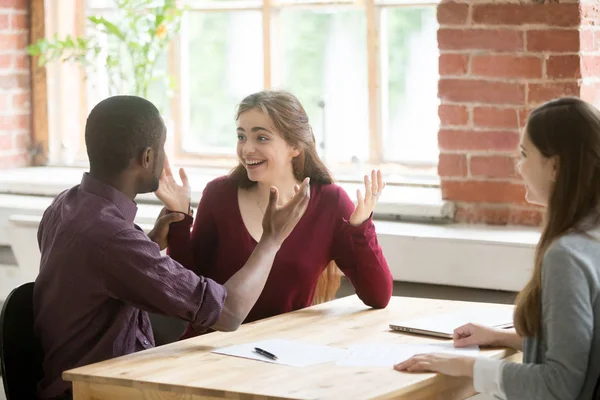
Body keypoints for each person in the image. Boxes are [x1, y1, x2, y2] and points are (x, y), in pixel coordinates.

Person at [32, 95, 310, 400]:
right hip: (96, 392)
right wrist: (272, 239)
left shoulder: (65, 205)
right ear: (148, 158)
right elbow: (229, 313)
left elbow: (93, 275)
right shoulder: (114, 240)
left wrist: (149, 243)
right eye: (163, 148)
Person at [394, 97, 600, 400]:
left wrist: (467, 367)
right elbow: (581, 350)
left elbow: (559, 386)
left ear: (555, 166)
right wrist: (501, 337)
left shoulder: (567, 256)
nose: (519, 167)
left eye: (524, 153)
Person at [156, 90, 393, 339]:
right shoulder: (219, 194)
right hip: (211, 347)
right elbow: (189, 294)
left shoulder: (330, 202)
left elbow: (378, 296)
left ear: (295, 146)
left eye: (261, 138)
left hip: (284, 352)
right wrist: (180, 217)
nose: (247, 149)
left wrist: (361, 228)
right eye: (241, 136)